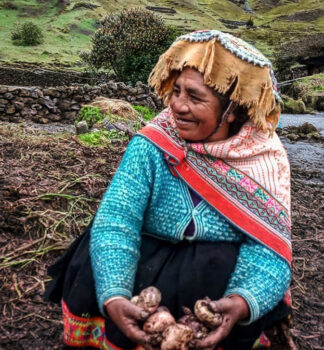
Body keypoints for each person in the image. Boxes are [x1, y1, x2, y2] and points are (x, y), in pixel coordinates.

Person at [45, 30, 292, 350]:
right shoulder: (152, 145)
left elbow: (269, 247)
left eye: (195, 96)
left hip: (211, 286)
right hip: (141, 267)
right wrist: (114, 294)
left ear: (231, 110)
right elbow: (118, 218)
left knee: (221, 267)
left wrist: (242, 300)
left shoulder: (265, 160)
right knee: (97, 245)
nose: (177, 105)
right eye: (176, 90)